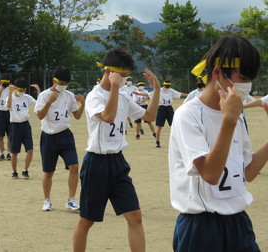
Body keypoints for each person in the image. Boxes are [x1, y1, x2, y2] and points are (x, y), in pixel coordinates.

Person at [168, 36, 268, 251]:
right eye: (242, 77)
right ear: (217, 73)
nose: (247, 85)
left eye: (250, 79)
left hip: (238, 222)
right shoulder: (189, 115)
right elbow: (210, 174)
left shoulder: (237, 115)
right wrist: (229, 120)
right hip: (201, 226)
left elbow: (247, 173)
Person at [72, 47, 160, 252]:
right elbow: (108, 117)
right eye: (122, 76)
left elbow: (149, 117)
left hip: (118, 162)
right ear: (108, 72)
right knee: (87, 220)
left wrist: (155, 90)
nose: (124, 81)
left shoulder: (123, 96)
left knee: (135, 216)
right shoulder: (95, 96)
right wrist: (113, 88)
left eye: (127, 77)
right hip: (97, 163)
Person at [34, 66, 85, 212]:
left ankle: (71, 200)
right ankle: (47, 200)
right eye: (60, 82)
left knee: (74, 167)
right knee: (48, 171)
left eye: (65, 83)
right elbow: (40, 116)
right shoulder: (44, 95)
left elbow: (77, 116)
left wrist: (83, 103)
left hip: (65, 135)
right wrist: (49, 102)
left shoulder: (69, 96)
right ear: (54, 81)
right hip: (49, 137)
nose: (63, 85)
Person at [6, 78, 39, 179]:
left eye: (24, 90)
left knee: (30, 149)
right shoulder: (11, 97)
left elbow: (38, 104)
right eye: (20, 90)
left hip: (26, 125)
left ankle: (25, 170)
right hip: (15, 126)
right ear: (15, 88)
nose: (22, 92)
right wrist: (10, 92)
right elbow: (8, 106)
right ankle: (14, 172)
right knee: (15, 152)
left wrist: (38, 91)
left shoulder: (27, 97)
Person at [151, 80, 187, 148]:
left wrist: (189, 95)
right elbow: (149, 94)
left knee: (174, 125)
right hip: (161, 108)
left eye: (168, 86)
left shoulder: (171, 91)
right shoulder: (159, 90)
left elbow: (180, 94)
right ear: (163, 85)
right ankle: (157, 142)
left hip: (169, 108)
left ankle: (177, 141)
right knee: (159, 126)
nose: (166, 87)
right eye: (165, 85)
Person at [0, 75, 12, 161]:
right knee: (0, 135)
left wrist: (11, 90)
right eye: (3, 82)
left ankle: (9, 153)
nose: (5, 84)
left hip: (9, 113)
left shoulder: (10, 90)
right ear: (0, 82)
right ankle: (1, 153)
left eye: (6, 83)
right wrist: (0, 92)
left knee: (9, 135)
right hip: (0, 113)